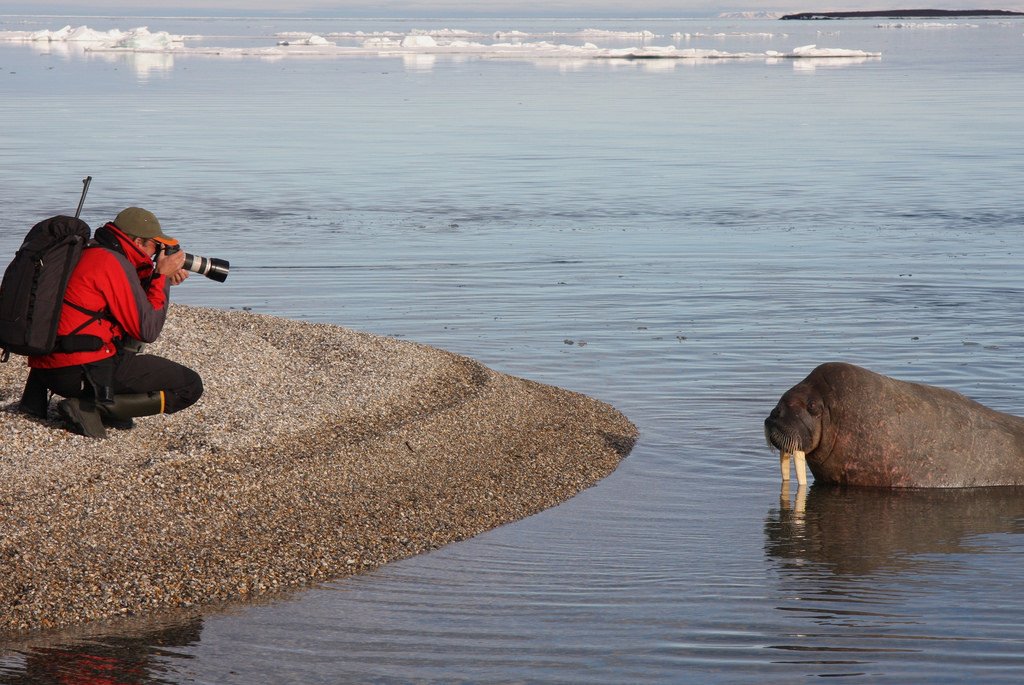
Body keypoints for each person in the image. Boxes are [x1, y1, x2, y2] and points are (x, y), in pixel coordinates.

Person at [22, 207, 203, 438]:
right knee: (190, 385)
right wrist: (160, 277)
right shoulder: (112, 263)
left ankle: (90, 403)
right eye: (155, 247)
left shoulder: (90, 250)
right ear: (138, 241)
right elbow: (147, 329)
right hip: (77, 372)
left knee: (123, 335)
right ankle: (91, 407)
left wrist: (161, 279)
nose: (156, 254)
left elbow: (125, 305)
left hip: (48, 365)